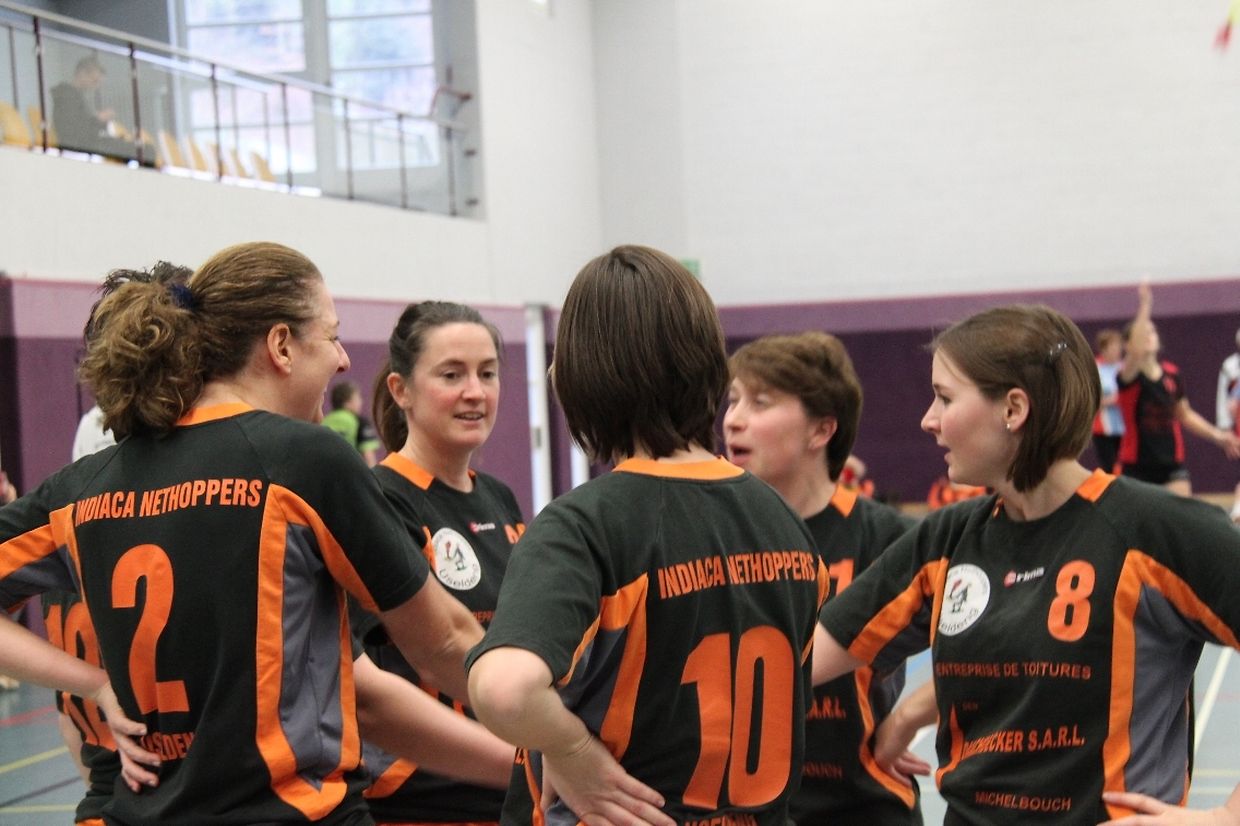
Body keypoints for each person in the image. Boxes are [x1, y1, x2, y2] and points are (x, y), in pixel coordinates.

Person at [0, 242, 488, 824]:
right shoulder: (303, 461)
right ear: (281, 345)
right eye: (331, 336)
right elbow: (443, 641)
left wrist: (93, 683)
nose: (342, 359)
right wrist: (554, 736)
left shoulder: (82, 488)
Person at [809, 303, 1240, 824]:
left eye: (945, 397)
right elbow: (798, 659)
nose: (928, 419)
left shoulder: (1154, 531)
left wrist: (1226, 816)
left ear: (1013, 409)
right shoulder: (946, 539)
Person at [467, 245, 828, 826]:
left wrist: (571, 748)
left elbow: (505, 690)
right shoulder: (784, 524)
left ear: (582, 377)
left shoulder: (583, 527)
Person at [723, 331, 923, 826]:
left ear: (820, 431)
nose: (733, 419)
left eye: (760, 402)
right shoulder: (713, 537)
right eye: (733, 400)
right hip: (744, 810)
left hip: (865, 807)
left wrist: (908, 717)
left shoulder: (888, 538)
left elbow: (996, 633)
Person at [356, 301, 523, 825]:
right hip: (422, 803)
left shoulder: (499, 497)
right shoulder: (379, 501)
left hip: (513, 797)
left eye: (487, 374)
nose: (475, 392)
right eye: (452, 375)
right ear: (401, 390)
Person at [1116, 281, 1240, 495]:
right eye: (1143, 332)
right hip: (1137, 466)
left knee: (1181, 510)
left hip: (1171, 464)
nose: (1148, 336)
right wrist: (1145, 305)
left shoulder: (1171, 374)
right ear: (1129, 344)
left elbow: (1184, 414)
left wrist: (1218, 436)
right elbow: (1135, 352)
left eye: (1152, 332)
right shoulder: (1129, 376)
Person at [50, 55, 142, 161]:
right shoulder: (67, 96)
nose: (96, 86)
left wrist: (98, 121)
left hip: (87, 147)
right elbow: (73, 133)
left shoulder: (75, 97)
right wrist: (98, 120)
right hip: (80, 150)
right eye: (95, 81)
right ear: (82, 73)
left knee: (139, 149)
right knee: (142, 151)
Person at [323, 381, 380, 466]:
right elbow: (368, 455)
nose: (361, 402)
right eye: (358, 398)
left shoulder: (325, 421)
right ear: (347, 403)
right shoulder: (360, 422)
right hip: (348, 469)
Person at [1091, 328, 1125, 473]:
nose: (1117, 350)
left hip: (1125, 427)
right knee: (1110, 467)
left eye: (1118, 346)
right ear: (1103, 349)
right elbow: (1090, 400)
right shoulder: (1094, 368)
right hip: (1103, 429)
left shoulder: (1125, 368)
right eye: (1113, 347)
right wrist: (1110, 400)